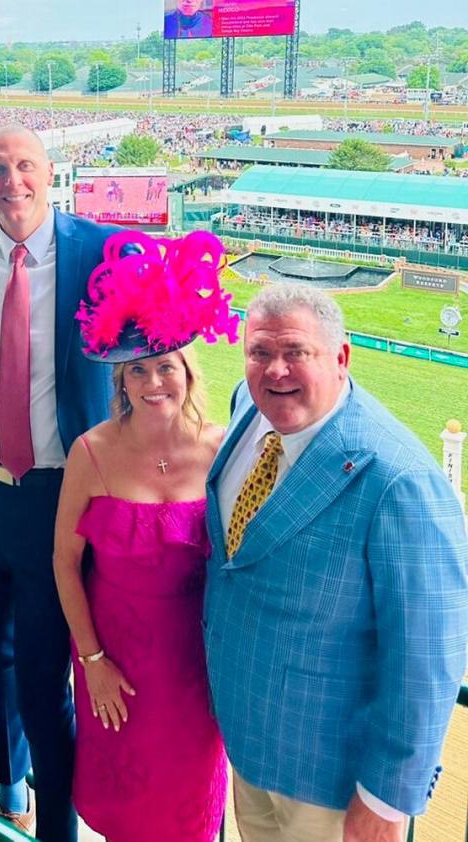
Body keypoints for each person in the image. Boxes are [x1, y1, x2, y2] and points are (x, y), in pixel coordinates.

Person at [204, 284, 468, 842]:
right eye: (259, 352)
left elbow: (428, 656)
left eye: (297, 352)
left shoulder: (401, 482)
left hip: (331, 786)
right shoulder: (245, 405)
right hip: (247, 748)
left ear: (342, 356)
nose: (276, 370)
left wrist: (385, 801)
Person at [0, 124, 117, 840]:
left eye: (26, 165)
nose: (14, 181)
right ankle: (10, 784)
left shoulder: (101, 248)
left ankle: (55, 829)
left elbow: (145, 366)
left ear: (51, 173)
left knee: (43, 680)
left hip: (60, 500)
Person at [53, 230, 237, 841]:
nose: (155, 382)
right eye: (139, 371)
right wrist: (93, 661)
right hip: (116, 668)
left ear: (187, 370)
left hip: (198, 668)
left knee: (190, 814)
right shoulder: (91, 453)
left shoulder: (222, 448)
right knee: (125, 816)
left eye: (166, 367)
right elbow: (63, 562)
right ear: (121, 382)